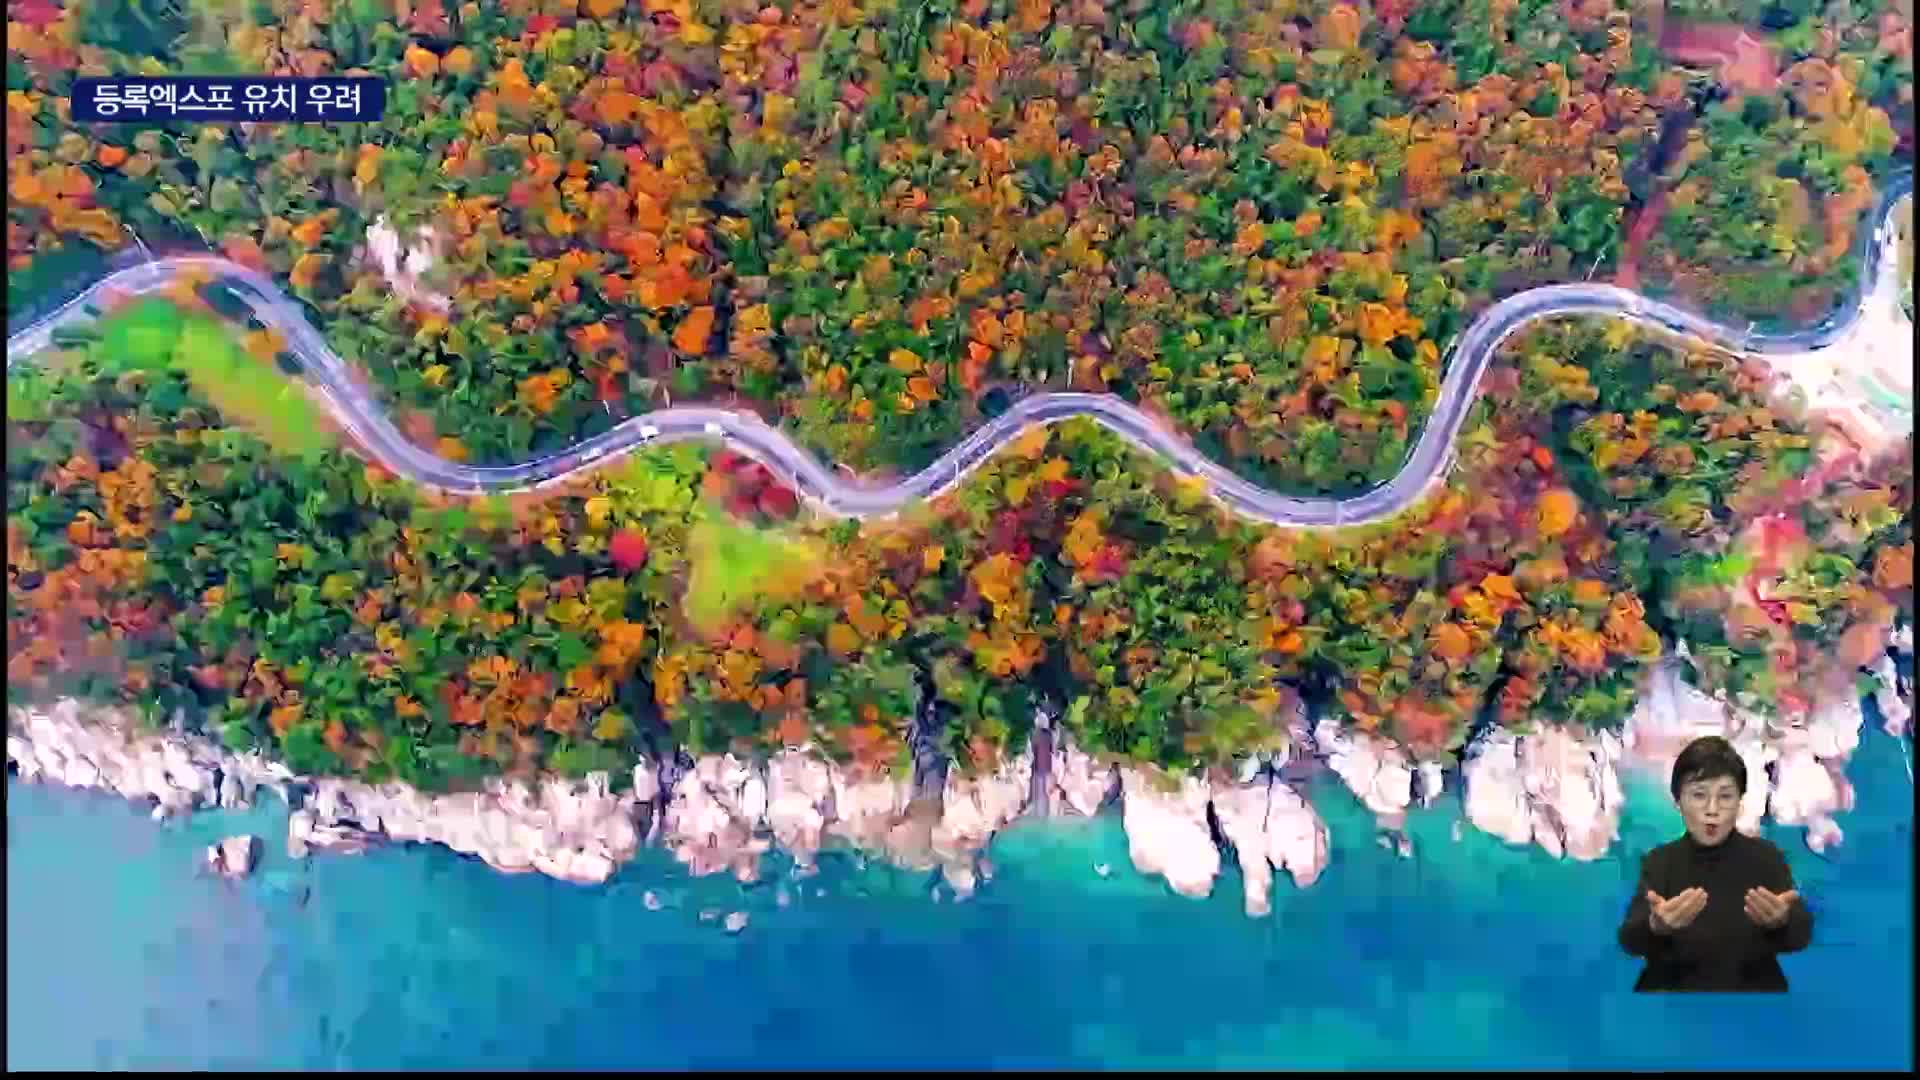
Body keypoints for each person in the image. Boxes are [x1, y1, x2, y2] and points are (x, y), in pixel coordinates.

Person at [1618, 735, 1813, 991]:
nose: (1712, 809)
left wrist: (1782, 921)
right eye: (1699, 795)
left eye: (1725, 796)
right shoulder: (1660, 861)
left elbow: (1800, 936)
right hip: (1674, 1001)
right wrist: (1656, 926)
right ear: (1678, 802)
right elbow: (1630, 940)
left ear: (1740, 802)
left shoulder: (1767, 857)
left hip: (1751, 1002)